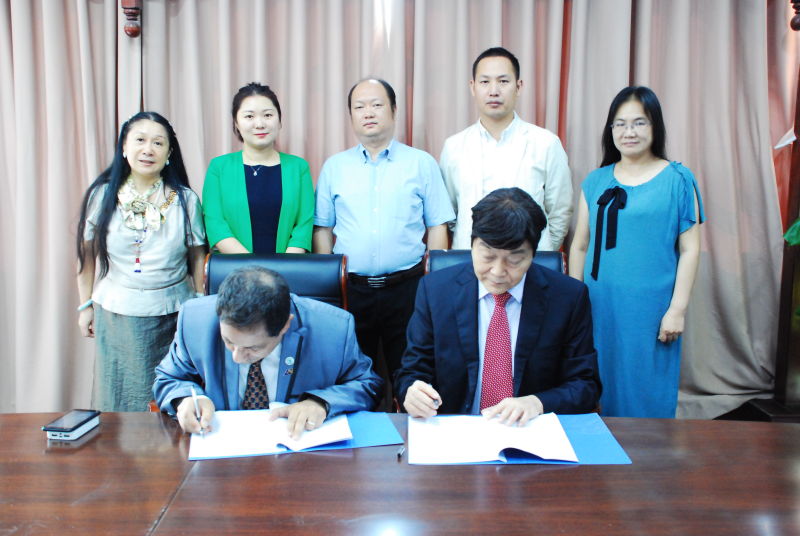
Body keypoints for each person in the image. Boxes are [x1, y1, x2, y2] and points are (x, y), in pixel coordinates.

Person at [395, 188, 601, 425]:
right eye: (488, 256)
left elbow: (586, 385)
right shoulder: (436, 291)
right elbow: (411, 372)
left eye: (514, 260)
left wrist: (538, 403)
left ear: (533, 254)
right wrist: (412, 391)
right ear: (472, 244)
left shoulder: (568, 298)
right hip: (457, 430)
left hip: (529, 430)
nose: (498, 272)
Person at [568, 86, 705, 418]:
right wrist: (576, 302)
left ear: (655, 126)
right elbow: (580, 245)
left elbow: (690, 249)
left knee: (648, 389)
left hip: (652, 308)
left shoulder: (678, 179)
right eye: (620, 124)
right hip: (600, 305)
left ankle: (649, 451)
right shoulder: (595, 181)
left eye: (639, 123)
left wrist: (677, 309)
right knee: (598, 383)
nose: (628, 132)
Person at [313, 78, 455, 393]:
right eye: (359, 106)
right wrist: (329, 280)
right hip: (350, 290)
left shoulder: (421, 163)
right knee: (350, 379)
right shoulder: (335, 167)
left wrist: (430, 284)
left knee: (413, 377)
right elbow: (322, 229)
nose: (368, 112)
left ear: (393, 110)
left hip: (408, 288)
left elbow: (437, 226)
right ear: (351, 115)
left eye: (377, 105)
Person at [153, 266, 383, 438]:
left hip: (299, 454)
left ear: (285, 326)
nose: (237, 357)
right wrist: (186, 399)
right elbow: (169, 377)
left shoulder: (333, 328)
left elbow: (367, 385)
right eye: (229, 341)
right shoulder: (195, 320)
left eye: (253, 348)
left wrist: (321, 403)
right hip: (222, 452)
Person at [76, 111, 207, 412]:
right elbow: (85, 255)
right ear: (124, 147)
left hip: (173, 314)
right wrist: (85, 306)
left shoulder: (185, 200)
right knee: (118, 400)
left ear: (169, 153)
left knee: (170, 400)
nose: (148, 149)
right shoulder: (102, 195)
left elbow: (198, 255)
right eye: (140, 140)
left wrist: (199, 304)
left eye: (158, 143)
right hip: (116, 313)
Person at [440, 46, 573, 251]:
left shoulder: (546, 143)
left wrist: (537, 253)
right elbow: (450, 215)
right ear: (473, 87)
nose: (494, 91)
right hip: (471, 260)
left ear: (518, 87)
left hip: (530, 261)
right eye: (485, 82)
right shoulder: (454, 147)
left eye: (503, 81)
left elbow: (560, 211)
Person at [202, 82, 314, 254]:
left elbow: (303, 227)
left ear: (279, 120)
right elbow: (216, 225)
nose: (260, 124)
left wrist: (283, 267)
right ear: (236, 123)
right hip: (234, 268)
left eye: (268, 115)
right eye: (249, 116)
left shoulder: (298, 168)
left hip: (288, 268)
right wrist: (253, 266)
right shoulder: (219, 167)